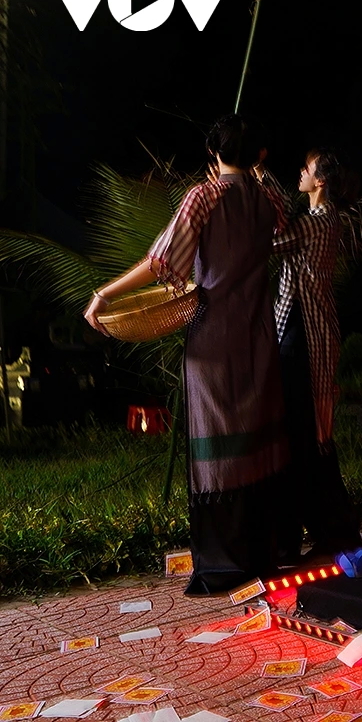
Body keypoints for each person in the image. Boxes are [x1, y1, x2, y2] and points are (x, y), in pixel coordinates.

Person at [84, 114, 289, 595]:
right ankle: (264, 552)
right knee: (257, 441)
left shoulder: (204, 196)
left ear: (213, 152)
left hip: (215, 338)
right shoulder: (268, 199)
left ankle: (223, 563)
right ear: (258, 155)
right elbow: (276, 216)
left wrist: (104, 294)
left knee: (217, 444)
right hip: (259, 336)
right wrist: (253, 169)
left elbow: (161, 262)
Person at [266, 148, 362, 561]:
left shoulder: (317, 222)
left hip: (303, 332)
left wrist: (260, 181)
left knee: (302, 434)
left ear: (319, 180)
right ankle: (332, 530)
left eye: (306, 168)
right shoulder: (323, 219)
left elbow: (271, 242)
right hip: (303, 330)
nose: (300, 173)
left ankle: (330, 532)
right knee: (309, 435)